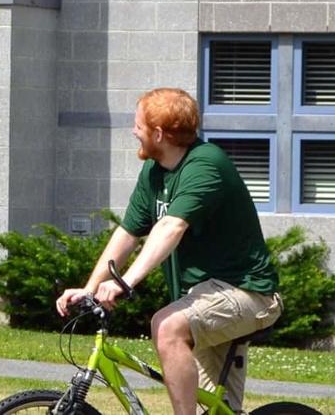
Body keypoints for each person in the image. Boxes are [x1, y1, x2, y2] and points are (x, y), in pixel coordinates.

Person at [56, 87, 281, 414]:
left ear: (158, 134)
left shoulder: (205, 164)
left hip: (247, 292)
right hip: (203, 296)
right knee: (217, 410)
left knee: (166, 326)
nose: (134, 131)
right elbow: (128, 233)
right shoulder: (154, 170)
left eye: (138, 126)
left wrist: (124, 282)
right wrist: (90, 288)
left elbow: (170, 228)